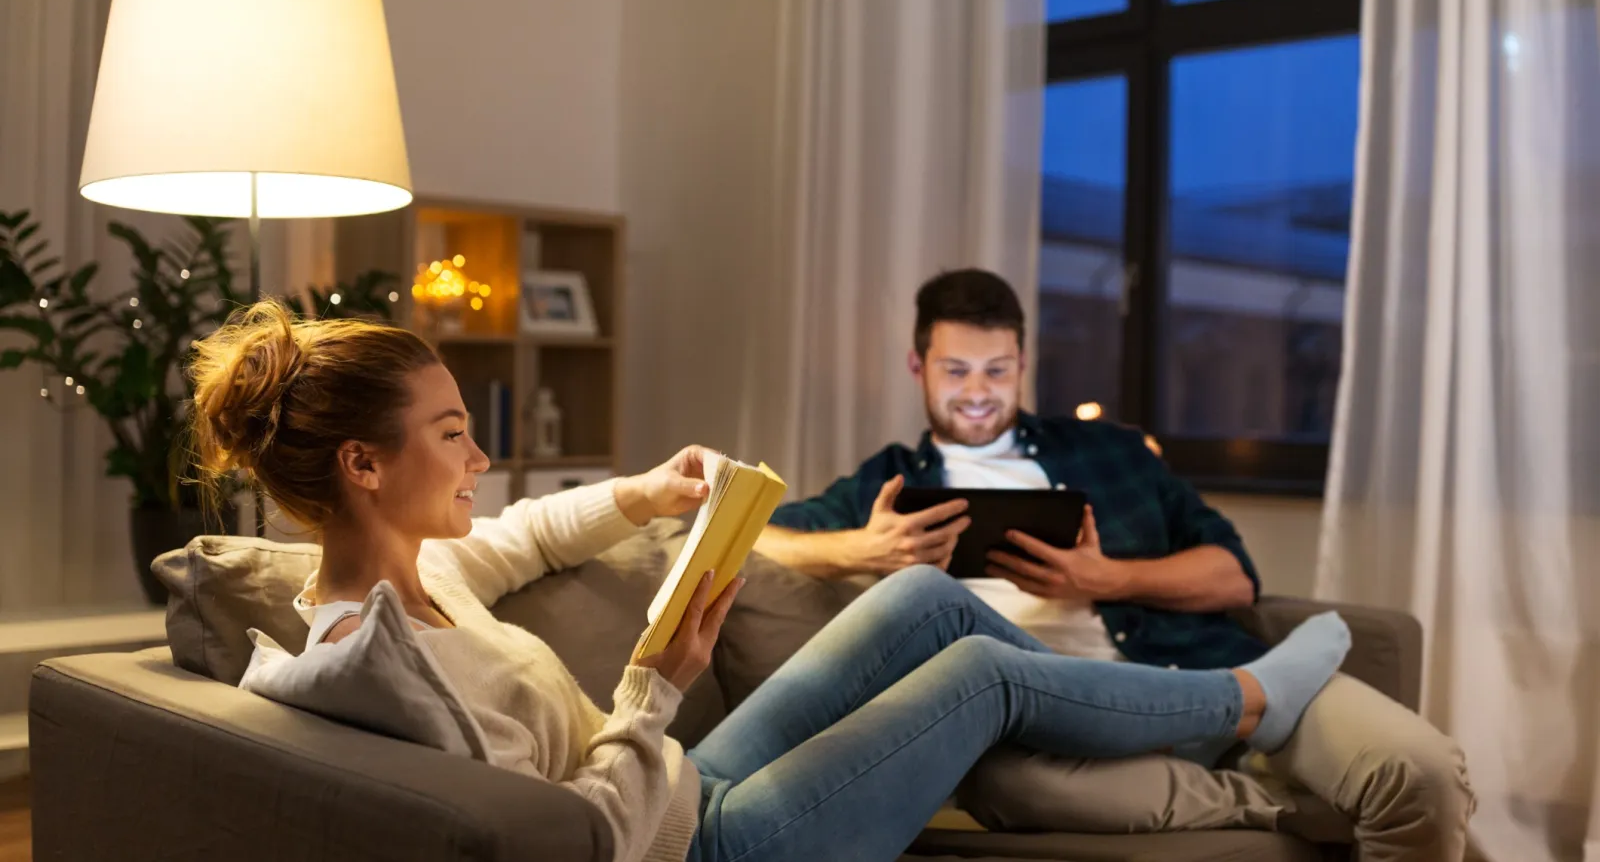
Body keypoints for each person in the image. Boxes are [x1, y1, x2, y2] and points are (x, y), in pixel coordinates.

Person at [188, 300, 1352, 862]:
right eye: (452, 434)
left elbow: (528, 537)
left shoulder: (410, 574)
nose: (480, 457)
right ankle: (1245, 704)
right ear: (363, 463)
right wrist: (656, 682)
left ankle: (1173, 717)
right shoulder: (391, 665)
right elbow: (575, 840)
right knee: (985, 675)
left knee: (921, 602)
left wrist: (643, 497)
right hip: (699, 848)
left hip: (680, 789)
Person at [754, 269, 1475, 862]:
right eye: (956, 370)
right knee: (1008, 789)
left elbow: (1234, 576)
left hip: (1192, 663)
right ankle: (1307, 810)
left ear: (1024, 365)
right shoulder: (887, 482)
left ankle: (1262, 710)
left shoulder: (1111, 453)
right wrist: (863, 549)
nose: (978, 390)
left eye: (998, 370)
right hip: (1056, 724)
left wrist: (1108, 580)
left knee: (1424, 771)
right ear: (919, 367)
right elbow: (762, 537)